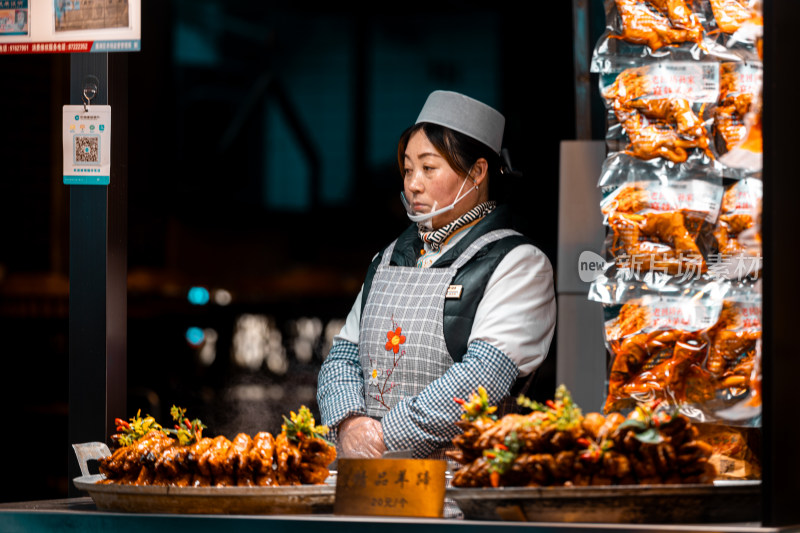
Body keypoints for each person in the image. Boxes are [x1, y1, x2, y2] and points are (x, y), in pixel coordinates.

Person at [316, 90, 556, 461]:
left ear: (477, 172)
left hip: (464, 490)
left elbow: (483, 377)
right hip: (369, 481)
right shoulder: (387, 259)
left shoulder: (519, 263)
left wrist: (382, 436)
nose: (413, 184)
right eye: (409, 169)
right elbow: (342, 357)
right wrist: (349, 423)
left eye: (429, 168)